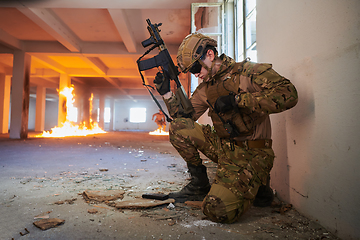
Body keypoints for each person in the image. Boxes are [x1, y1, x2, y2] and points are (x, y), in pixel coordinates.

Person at [153, 33, 298, 223]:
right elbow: (184, 118)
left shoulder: (248, 73)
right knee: (179, 128)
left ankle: (259, 185)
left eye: (196, 67)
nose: (195, 73)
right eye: (190, 70)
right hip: (225, 148)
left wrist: (238, 100)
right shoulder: (206, 88)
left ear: (210, 54)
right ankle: (199, 184)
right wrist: (166, 94)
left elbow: (289, 93)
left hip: (253, 152)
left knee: (216, 210)